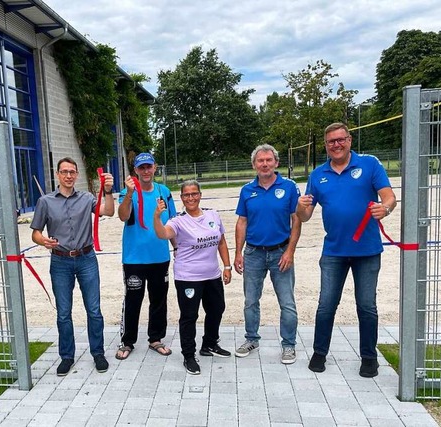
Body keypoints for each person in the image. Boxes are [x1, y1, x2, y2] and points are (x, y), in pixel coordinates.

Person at [296, 123, 397, 378]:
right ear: (326, 145)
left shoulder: (369, 165)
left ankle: (369, 357)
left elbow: (389, 196)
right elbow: (305, 216)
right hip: (334, 252)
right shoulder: (318, 175)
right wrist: (300, 207)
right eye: (331, 142)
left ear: (349, 140)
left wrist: (384, 209)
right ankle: (319, 353)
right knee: (326, 305)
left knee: (366, 306)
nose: (336, 145)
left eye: (341, 140)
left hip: (367, 250)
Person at [30, 157, 115, 376]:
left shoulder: (87, 198)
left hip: (86, 259)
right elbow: (35, 233)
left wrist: (107, 191)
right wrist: (43, 241)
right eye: (64, 172)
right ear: (57, 174)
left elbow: (108, 212)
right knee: (64, 313)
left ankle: (98, 353)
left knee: (94, 310)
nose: (69, 175)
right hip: (60, 261)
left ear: (76, 175)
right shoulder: (45, 202)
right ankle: (67, 357)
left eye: (72, 172)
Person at [153, 180, 232, 375]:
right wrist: (157, 217)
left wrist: (227, 266)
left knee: (217, 309)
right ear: (182, 198)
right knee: (189, 316)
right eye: (186, 195)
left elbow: (221, 241)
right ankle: (189, 355)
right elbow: (163, 234)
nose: (191, 198)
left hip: (212, 275)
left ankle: (210, 344)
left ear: (200, 194)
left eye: (194, 193)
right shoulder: (178, 221)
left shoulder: (213, 215)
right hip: (188, 277)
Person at [234, 144, 301, 364]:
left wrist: (290, 251)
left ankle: (288, 345)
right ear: (254, 165)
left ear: (276, 162)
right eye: (260, 161)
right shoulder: (247, 190)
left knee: (287, 302)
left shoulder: (289, 187)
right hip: (253, 253)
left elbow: (296, 220)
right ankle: (251, 339)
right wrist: (238, 253)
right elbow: (242, 222)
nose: (264, 164)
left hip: (281, 251)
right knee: (250, 301)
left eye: (268, 160)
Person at [115, 152, 178, 360]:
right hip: (134, 259)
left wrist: (177, 249)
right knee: (133, 300)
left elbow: (173, 223)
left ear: (155, 167)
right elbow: (123, 216)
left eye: (149, 167)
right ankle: (127, 341)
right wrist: (129, 194)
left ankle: (155, 338)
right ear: (135, 170)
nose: (146, 171)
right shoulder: (128, 191)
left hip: (159, 257)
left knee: (158, 300)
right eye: (141, 168)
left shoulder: (164, 192)